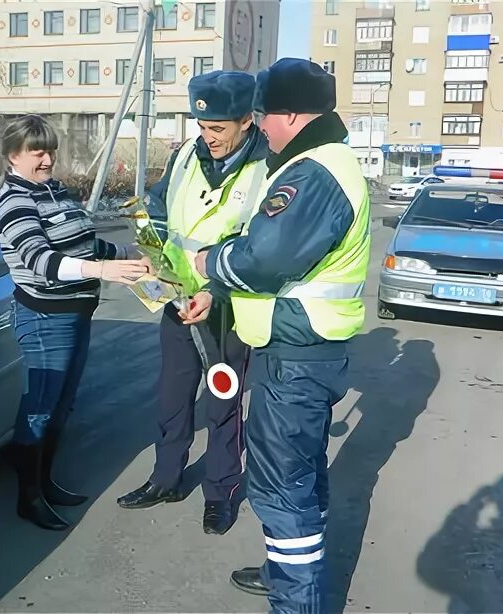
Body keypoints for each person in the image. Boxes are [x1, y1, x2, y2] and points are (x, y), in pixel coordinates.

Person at [193, 59, 371, 611]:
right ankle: (286, 576)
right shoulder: (315, 162)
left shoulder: (313, 172)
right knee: (302, 475)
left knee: (279, 488)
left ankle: (297, 601)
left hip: (295, 356)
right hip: (301, 351)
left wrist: (208, 262)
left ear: (292, 114)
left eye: (265, 115)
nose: (260, 125)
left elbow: (264, 258)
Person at [116, 70, 270, 535]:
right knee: (171, 397)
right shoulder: (186, 154)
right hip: (175, 300)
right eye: (203, 127)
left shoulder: (270, 167)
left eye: (218, 128)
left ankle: (220, 492)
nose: (209, 137)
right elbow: (156, 209)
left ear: (247, 120)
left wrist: (213, 291)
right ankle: (166, 479)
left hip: (228, 307)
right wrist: (154, 260)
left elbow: (259, 247)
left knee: (222, 403)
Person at [0, 114, 148, 531]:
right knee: (40, 409)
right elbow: (41, 262)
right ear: (13, 155)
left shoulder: (53, 191)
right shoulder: (14, 202)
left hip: (76, 315)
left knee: (61, 406)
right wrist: (103, 272)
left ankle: (45, 482)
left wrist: (127, 256)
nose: (46, 158)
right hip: (45, 319)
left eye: (49, 150)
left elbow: (85, 241)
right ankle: (29, 497)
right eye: (36, 151)